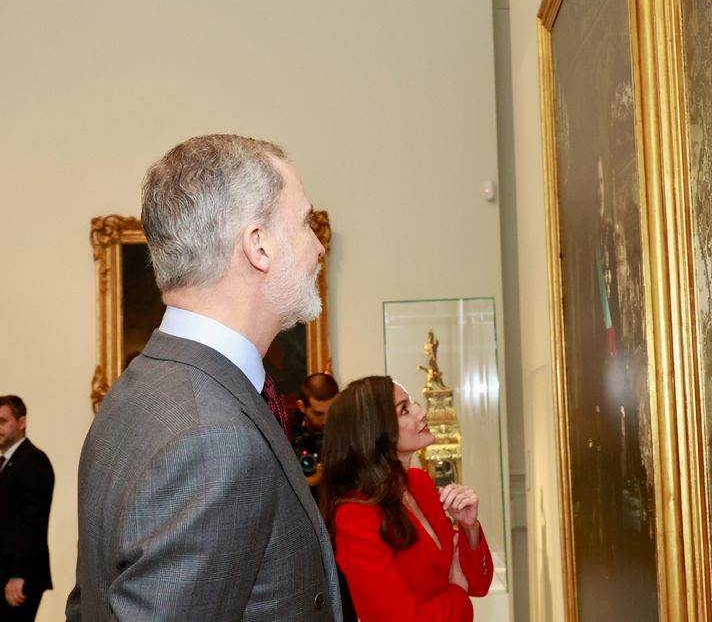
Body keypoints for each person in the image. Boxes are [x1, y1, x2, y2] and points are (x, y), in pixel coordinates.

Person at [66, 134, 343, 620]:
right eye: (304, 224)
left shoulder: (136, 390)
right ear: (259, 245)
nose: (319, 247)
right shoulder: (214, 439)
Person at [320, 376, 493, 621]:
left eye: (412, 404)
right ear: (375, 432)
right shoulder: (354, 516)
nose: (421, 412)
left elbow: (478, 584)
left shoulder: (420, 482)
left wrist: (469, 527)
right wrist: (456, 592)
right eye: (404, 410)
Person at [0, 396, 54, 622]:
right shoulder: (6, 463)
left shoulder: (33, 461)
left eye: (3, 421)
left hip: (17, 579)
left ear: (21, 422)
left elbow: (32, 523)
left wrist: (18, 574)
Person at [291, 372, 340, 494]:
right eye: (318, 414)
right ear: (301, 406)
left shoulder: (349, 426)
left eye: (331, 412)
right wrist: (309, 481)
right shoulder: (285, 429)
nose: (325, 421)